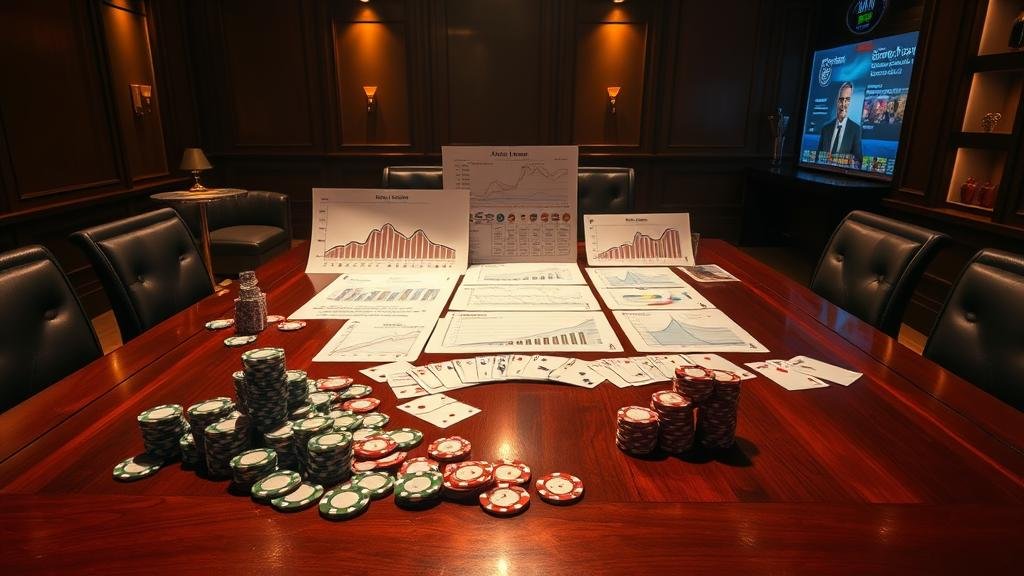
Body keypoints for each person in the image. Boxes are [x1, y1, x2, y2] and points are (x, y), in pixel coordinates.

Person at [816, 81, 862, 164]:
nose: (843, 104)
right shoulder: (825, 129)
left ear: (851, 102)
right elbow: (818, 157)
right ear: (836, 101)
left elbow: (858, 161)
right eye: (841, 99)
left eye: (847, 100)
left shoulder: (856, 129)